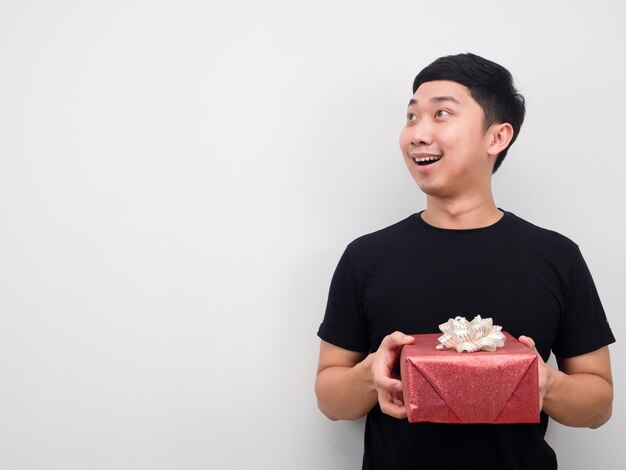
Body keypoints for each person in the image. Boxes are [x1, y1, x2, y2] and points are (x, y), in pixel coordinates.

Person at [315, 53, 615, 470]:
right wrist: (370, 376)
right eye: (411, 116)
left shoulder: (556, 256)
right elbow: (329, 399)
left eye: (441, 114)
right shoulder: (366, 256)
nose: (418, 133)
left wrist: (546, 385)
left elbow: (599, 407)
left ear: (497, 137)